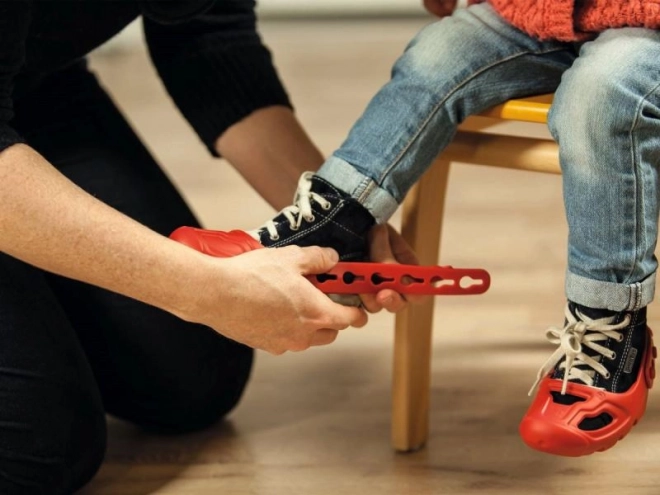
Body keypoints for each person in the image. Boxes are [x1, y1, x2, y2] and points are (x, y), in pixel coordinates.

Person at [176, 0, 660, 458]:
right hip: (535, 12)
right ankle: (335, 223)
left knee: (601, 96)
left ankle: (611, 326)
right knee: (435, 54)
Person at [0, 2, 418, 493]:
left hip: (38, 85)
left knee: (193, 378)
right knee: (36, 447)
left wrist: (335, 220)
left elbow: (207, 35)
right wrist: (205, 290)